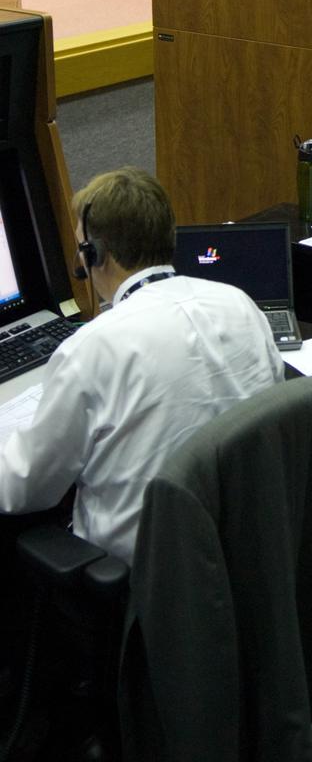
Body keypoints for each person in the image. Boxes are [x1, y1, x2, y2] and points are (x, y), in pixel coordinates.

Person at [0, 167, 284, 564]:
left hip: (140, 575)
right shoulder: (238, 303)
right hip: (243, 550)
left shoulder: (93, 347)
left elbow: (24, 487)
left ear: (95, 254)